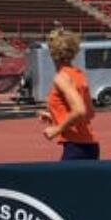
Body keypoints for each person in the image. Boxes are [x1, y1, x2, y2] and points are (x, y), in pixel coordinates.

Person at [40, 29, 100, 160]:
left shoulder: (61, 78)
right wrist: (54, 116)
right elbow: (90, 113)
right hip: (90, 145)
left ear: (52, 53)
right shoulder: (78, 74)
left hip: (76, 147)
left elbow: (79, 111)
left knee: (62, 180)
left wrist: (57, 129)